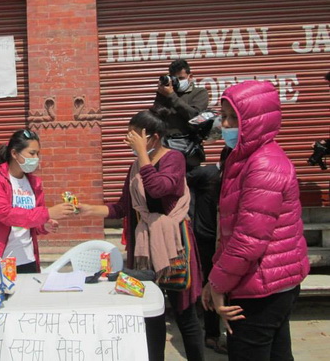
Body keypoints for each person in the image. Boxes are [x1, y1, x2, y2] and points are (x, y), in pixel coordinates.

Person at [80, 109, 204, 361]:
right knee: (149, 314)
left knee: (185, 314)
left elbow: (160, 188)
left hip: (175, 246)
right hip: (144, 249)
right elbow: (123, 207)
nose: (128, 139)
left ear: (153, 138)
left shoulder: (174, 159)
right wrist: (88, 209)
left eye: (134, 135)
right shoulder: (136, 166)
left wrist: (142, 158)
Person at [202, 80, 310, 361]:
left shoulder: (263, 165)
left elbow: (248, 241)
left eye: (231, 118)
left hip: (261, 289)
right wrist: (216, 276)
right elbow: (230, 231)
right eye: (223, 116)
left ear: (253, 120)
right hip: (263, 281)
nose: (224, 125)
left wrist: (216, 284)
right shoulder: (242, 159)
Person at [154, 59, 224, 352]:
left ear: (189, 76)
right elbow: (158, 120)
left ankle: (210, 329)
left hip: (195, 168)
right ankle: (184, 303)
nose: (176, 82)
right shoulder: (164, 93)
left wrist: (173, 97)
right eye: (173, 78)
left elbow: (197, 117)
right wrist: (164, 96)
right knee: (179, 240)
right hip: (172, 170)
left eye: (180, 78)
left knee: (203, 242)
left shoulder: (200, 93)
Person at [0, 129, 74, 273]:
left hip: (27, 259)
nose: (36, 158)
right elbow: (6, 214)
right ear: (14, 154)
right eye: (32, 153)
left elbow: (33, 220)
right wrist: (48, 213)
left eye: (38, 154)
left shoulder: (34, 183)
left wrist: (44, 226)